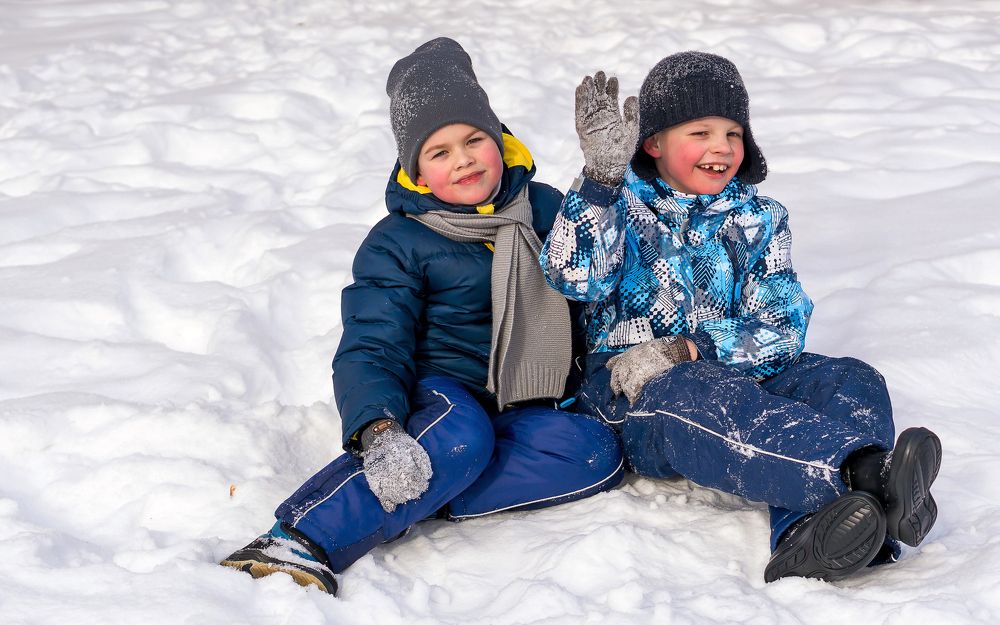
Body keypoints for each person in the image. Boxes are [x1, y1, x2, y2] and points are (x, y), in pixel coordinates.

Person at [220, 38, 623, 595]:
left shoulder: (546, 207)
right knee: (459, 434)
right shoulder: (398, 243)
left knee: (593, 454)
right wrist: (379, 428)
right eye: (439, 152)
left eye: (474, 139)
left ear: (500, 141)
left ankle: (423, 491)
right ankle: (302, 538)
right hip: (439, 396)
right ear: (416, 171)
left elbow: (598, 271)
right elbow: (371, 345)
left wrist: (604, 185)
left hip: (525, 400)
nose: (463, 159)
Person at [539, 51, 942, 583]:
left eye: (733, 133)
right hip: (633, 388)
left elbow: (782, 325)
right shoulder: (619, 207)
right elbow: (571, 277)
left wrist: (693, 347)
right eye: (700, 132)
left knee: (849, 377)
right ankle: (868, 475)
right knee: (708, 393)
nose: (721, 147)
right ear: (653, 143)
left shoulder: (759, 218)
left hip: (729, 365)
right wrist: (599, 182)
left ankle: (814, 532)